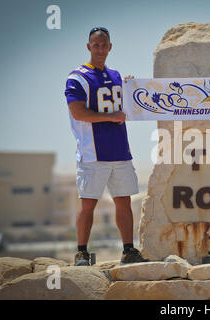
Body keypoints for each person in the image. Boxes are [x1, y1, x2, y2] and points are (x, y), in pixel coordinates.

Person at [64, 27, 148, 266]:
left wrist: (131, 87)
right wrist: (111, 117)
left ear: (110, 47)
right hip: (93, 152)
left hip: (120, 149)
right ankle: (81, 252)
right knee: (88, 202)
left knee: (124, 201)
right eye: (96, 45)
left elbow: (129, 106)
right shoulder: (77, 78)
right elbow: (78, 112)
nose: (100, 49)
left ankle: (128, 250)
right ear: (89, 46)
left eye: (104, 45)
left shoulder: (116, 76)